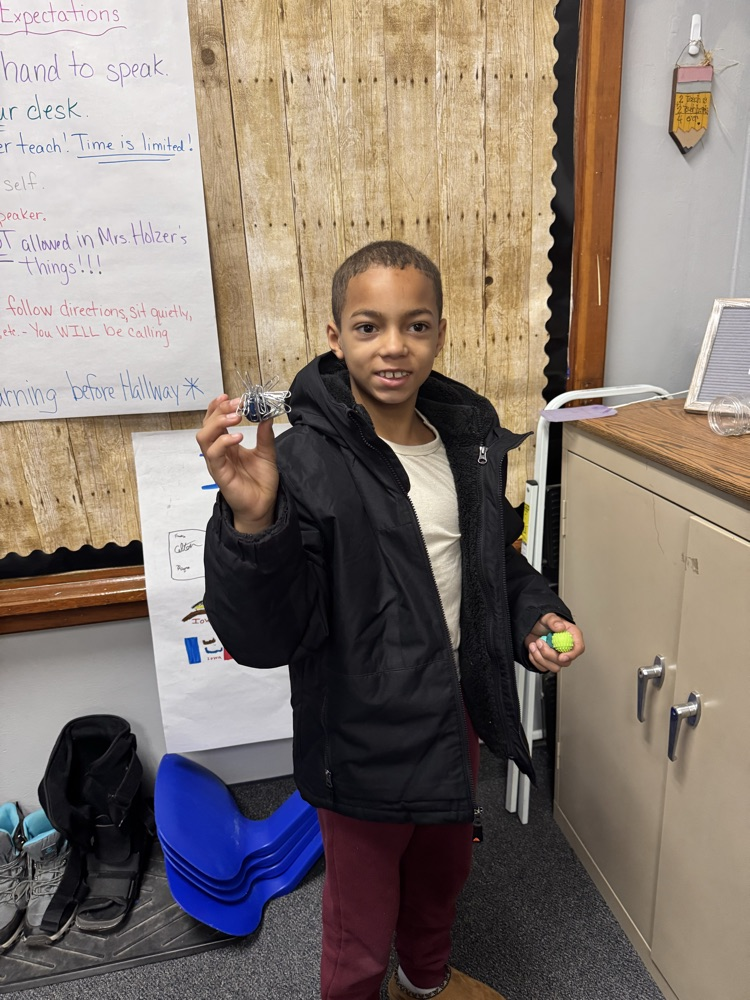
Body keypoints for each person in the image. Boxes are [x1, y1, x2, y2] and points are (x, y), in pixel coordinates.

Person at [198, 241, 584, 1000]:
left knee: (443, 879)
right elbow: (264, 635)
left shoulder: (464, 445)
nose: (393, 347)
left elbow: (492, 569)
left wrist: (535, 614)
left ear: (439, 333)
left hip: (452, 719)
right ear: (335, 337)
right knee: (358, 921)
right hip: (361, 736)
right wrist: (253, 526)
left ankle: (427, 984)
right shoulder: (300, 463)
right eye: (369, 327)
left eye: (415, 326)